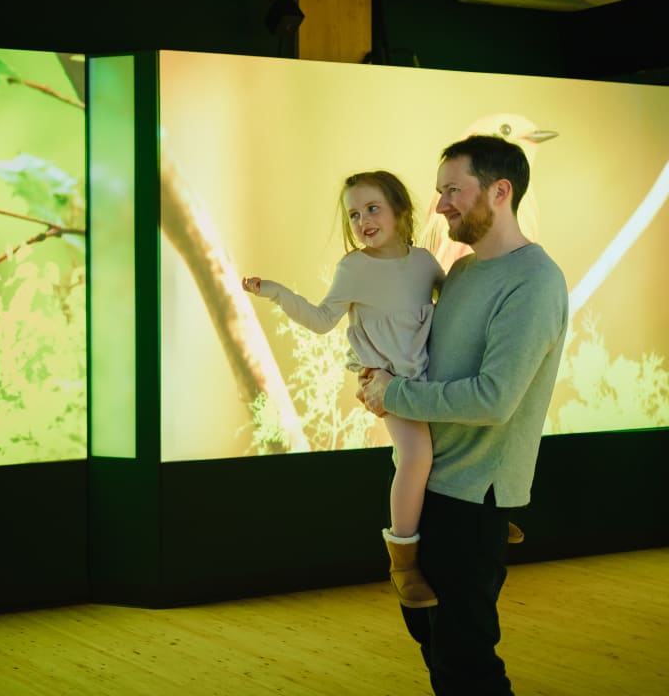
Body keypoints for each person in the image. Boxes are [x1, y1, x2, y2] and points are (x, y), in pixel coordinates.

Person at [359, 134, 569, 696]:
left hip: (475, 499)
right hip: (432, 485)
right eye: (439, 191)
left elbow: (494, 399)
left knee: (464, 660)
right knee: (429, 637)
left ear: (500, 192)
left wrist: (392, 393)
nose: (440, 204)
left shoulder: (535, 281)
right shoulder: (463, 273)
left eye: (454, 189)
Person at [242, 170, 445, 609]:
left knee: (446, 446)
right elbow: (321, 320)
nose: (363, 221)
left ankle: (469, 520)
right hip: (387, 381)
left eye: (372, 208)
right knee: (415, 456)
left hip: (427, 376)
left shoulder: (425, 262)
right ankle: (404, 562)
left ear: (401, 211)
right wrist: (276, 292)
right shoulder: (354, 268)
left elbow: (450, 310)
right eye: (354, 214)